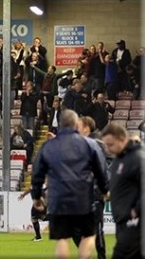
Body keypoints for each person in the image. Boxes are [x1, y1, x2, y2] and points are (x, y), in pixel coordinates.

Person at [31, 110, 109, 259]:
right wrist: (105, 190)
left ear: (60, 124)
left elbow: (37, 173)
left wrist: (36, 197)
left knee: (61, 239)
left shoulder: (48, 146)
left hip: (58, 198)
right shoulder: (90, 144)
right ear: (75, 124)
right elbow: (101, 170)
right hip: (83, 197)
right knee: (89, 235)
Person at [101, 122, 144, 259]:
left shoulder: (137, 158)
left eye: (110, 144)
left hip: (135, 225)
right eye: (106, 145)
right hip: (122, 223)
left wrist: (136, 210)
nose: (108, 149)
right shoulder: (120, 159)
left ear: (121, 139)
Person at [72, 116, 108, 259]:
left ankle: (101, 256)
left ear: (86, 128)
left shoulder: (97, 142)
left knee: (96, 228)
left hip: (94, 193)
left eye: (78, 126)